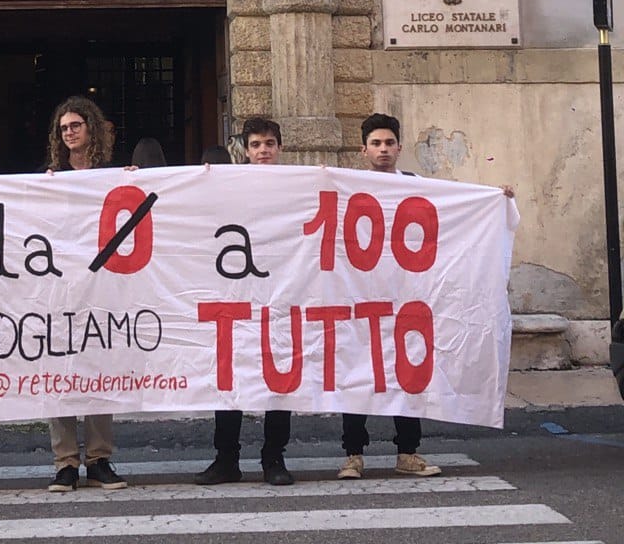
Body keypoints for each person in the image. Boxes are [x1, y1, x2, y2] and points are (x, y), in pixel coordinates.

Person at [337, 113, 515, 480]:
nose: (383, 150)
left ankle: (408, 451)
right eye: (376, 144)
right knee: (356, 372)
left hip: (407, 299)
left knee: (409, 373)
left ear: (399, 147)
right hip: (361, 296)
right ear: (363, 149)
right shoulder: (348, 186)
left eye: (389, 143)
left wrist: (495, 199)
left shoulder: (417, 186)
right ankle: (352, 454)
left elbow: (454, 213)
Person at [195, 117, 294, 488]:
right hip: (235, 295)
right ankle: (226, 459)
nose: (263, 150)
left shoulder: (298, 187)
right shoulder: (230, 187)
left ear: (279, 148)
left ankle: (274, 458)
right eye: (256, 145)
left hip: (282, 295)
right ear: (246, 151)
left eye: (269, 143)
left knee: (279, 379)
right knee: (230, 376)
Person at [44, 95, 128, 493]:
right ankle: (65, 462)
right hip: (59, 287)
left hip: (101, 286)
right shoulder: (48, 176)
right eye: (63, 128)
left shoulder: (113, 174)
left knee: (98, 369)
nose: (70, 132)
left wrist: (135, 182)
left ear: (90, 128)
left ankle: (98, 459)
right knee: (60, 371)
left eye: (76, 125)